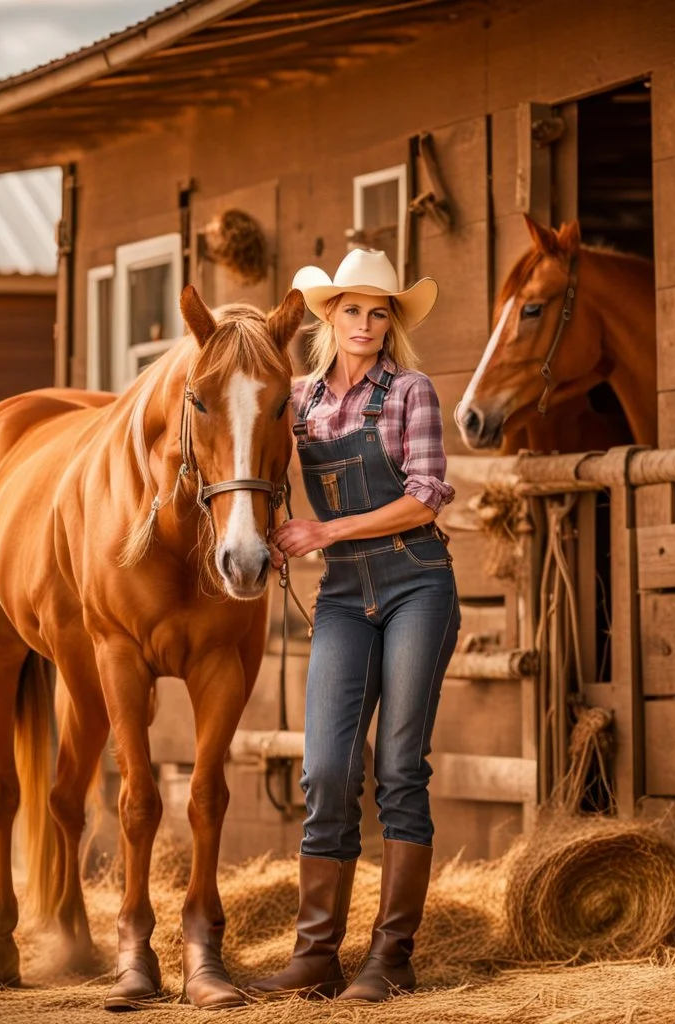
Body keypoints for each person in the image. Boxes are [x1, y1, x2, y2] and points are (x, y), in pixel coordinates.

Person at [251, 248, 460, 1002]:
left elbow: (426, 497)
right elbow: (260, 463)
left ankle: (391, 958)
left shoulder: (412, 390)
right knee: (327, 771)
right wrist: (270, 522)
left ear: (390, 322)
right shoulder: (299, 402)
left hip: (416, 583)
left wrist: (325, 532)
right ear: (328, 319)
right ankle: (316, 956)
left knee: (400, 768)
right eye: (352, 311)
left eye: (379, 312)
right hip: (343, 598)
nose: (365, 324)